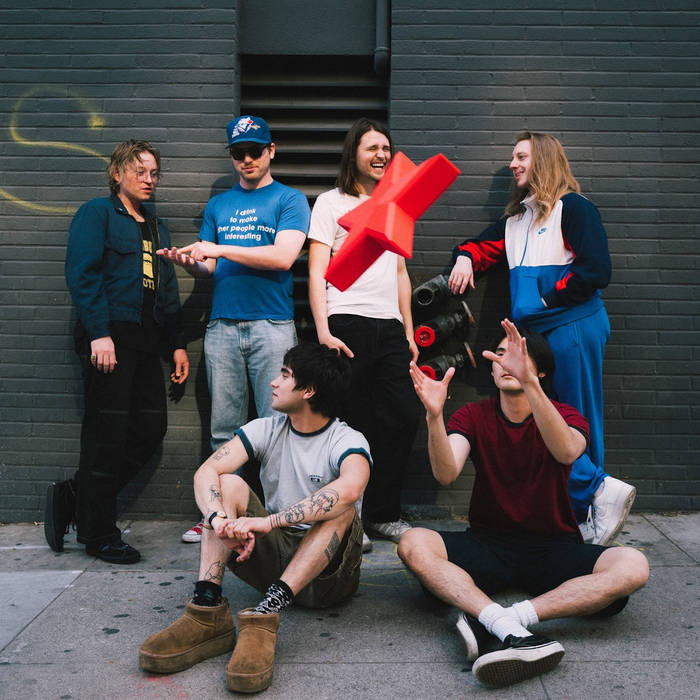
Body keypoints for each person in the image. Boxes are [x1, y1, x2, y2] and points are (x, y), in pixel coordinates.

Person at [398, 319, 649, 688]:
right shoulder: (473, 415)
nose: (507, 362)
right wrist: (434, 416)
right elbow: (446, 473)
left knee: (633, 566)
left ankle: (505, 620)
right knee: (412, 542)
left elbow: (566, 451)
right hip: (488, 543)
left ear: (541, 371)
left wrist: (529, 384)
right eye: (500, 355)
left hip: (553, 546)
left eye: (519, 356)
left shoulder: (567, 416)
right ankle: (501, 623)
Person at [138, 343, 371, 694]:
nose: (274, 383)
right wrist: (218, 521)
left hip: (327, 578)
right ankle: (207, 609)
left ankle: (266, 613)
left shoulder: (346, 439)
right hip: (273, 560)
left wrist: (270, 522)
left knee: (342, 509)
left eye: (285, 376)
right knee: (227, 484)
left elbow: (350, 489)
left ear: (309, 390)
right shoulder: (267, 429)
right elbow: (206, 472)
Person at [448, 131, 635, 545]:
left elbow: (596, 270)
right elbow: (481, 247)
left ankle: (592, 502)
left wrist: (546, 298)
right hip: (538, 335)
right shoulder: (518, 220)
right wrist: (465, 257)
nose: (512, 164)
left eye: (521, 157)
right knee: (544, 417)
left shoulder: (574, 208)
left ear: (544, 160)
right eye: (513, 157)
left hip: (573, 325)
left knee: (576, 417)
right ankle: (590, 496)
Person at [157, 115, 311, 543]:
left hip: (272, 326)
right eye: (238, 152)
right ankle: (218, 515)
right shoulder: (219, 205)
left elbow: (282, 257)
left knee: (277, 425)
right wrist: (190, 263)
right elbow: (208, 266)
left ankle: (281, 518)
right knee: (224, 430)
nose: (247, 159)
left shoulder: (290, 199)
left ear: (271, 151)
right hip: (222, 327)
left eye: (254, 150)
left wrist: (219, 248)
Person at [46, 139, 189, 564]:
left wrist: (177, 344)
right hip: (110, 338)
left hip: (146, 342)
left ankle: (77, 494)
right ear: (117, 173)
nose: (149, 179)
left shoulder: (156, 227)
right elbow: (82, 274)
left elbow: (166, 290)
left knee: (149, 429)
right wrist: (99, 333)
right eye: (139, 171)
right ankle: (98, 534)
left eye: (154, 173)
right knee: (105, 437)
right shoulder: (97, 214)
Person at [307, 117, 420, 550]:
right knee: (350, 421)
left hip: (389, 326)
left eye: (386, 148)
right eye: (372, 147)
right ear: (353, 152)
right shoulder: (330, 203)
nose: (381, 155)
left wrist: (408, 331)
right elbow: (316, 271)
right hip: (345, 321)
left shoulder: (396, 205)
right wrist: (323, 330)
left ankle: (383, 513)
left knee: (403, 416)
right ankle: (347, 515)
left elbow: (401, 272)